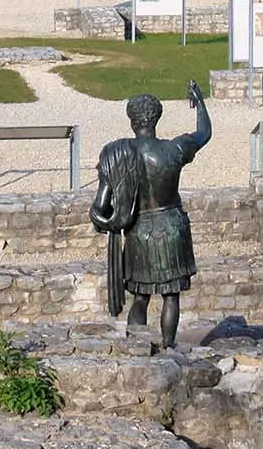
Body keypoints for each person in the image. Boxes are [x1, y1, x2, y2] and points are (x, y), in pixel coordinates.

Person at [89, 79, 212, 349]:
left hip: (139, 230)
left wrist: (108, 221)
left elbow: (99, 208)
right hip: (171, 228)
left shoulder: (116, 154)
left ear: (132, 120)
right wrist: (200, 104)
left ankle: (136, 348)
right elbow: (204, 133)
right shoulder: (174, 149)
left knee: (140, 296)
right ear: (157, 118)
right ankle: (169, 346)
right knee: (171, 295)